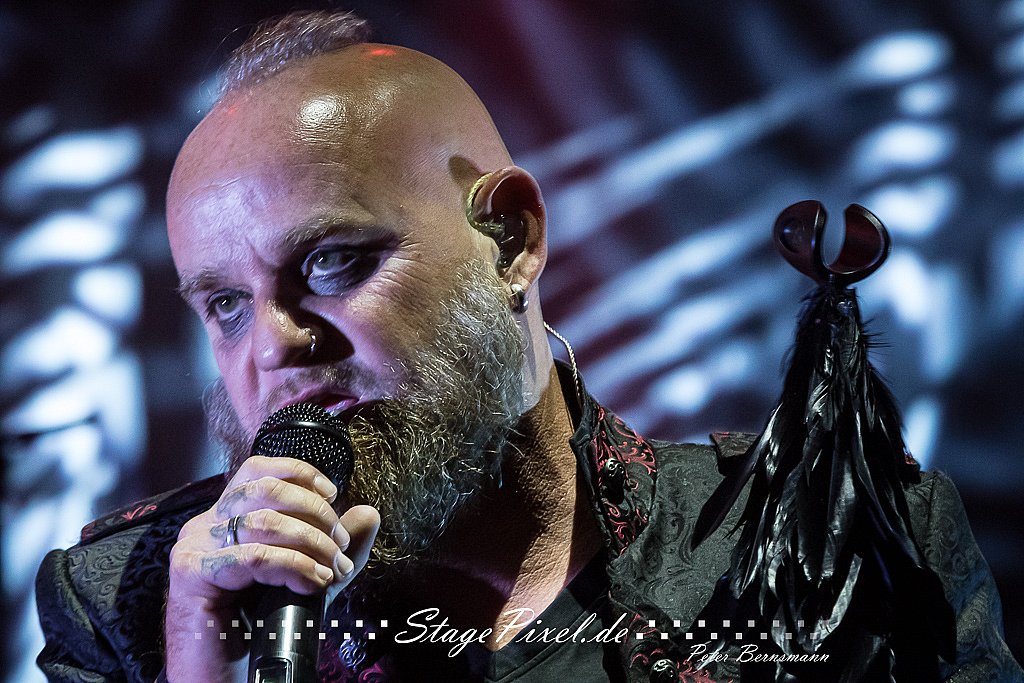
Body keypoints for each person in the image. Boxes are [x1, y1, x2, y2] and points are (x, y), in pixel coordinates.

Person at [34, 10, 1023, 683]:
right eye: (225, 303)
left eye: (332, 262)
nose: (275, 344)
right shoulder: (130, 601)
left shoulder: (833, 543)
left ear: (510, 238)